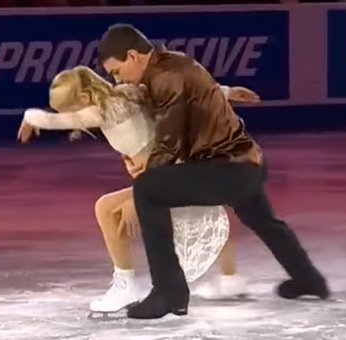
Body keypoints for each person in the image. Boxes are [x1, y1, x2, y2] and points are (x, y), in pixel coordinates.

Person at [97, 24, 331, 319]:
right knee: (264, 220)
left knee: (148, 190)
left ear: (132, 56)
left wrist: (139, 190)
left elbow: (170, 144)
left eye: (117, 72)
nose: (118, 80)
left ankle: (169, 292)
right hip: (246, 164)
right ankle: (309, 278)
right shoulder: (172, 63)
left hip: (226, 169)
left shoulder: (165, 76)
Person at [17, 66, 259, 313]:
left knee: (124, 210)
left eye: (70, 109)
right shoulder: (125, 94)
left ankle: (130, 284)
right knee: (111, 207)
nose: (72, 117)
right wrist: (225, 91)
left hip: (169, 173)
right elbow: (179, 95)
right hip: (169, 171)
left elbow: (51, 121)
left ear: (83, 99)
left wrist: (28, 117)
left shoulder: (104, 110)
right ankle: (226, 278)